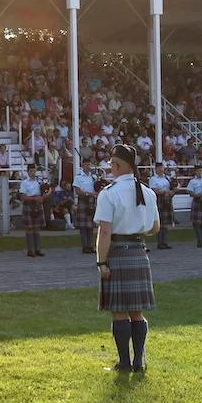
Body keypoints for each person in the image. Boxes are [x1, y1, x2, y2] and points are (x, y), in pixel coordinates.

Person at [94, 143, 160, 373]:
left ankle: (124, 363)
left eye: (112, 164)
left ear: (117, 164)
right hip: (139, 252)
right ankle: (138, 362)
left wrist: (101, 262)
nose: (110, 168)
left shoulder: (109, 193)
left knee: (120, 310)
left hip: (118, 253)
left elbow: (104, 231)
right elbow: (155, 228)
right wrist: (136, 230)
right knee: (136, 311)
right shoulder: (148, 192)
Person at [18, 163, 46, 257]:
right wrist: (34, 199)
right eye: (31, 171)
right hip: (29, 204)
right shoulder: (25, 183)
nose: (33, 173)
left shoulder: (39, 181)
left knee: (37, 227)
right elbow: (22, 196)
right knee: (29, 227)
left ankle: (37, 249)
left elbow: (45, 191)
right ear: (27, 172)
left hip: (38, 204)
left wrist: (44, 196)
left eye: (34, 171)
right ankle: (30, 250)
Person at [72, 157, 98, 254]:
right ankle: (85, 246)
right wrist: (87, 194)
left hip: (91, 201)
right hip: (83, 200)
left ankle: (90, 246)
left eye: (89, 164)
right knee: (83, 226)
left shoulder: (93, 177)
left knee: (90, 226)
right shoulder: (78, 177)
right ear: (82, 165)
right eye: (86, 164)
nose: (88, 166)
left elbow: (97, 187)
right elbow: (77, 191)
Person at [148, 162, 175, 250]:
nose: (161, 170)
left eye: (162, 168)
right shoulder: (153, 179)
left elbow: (172, 188)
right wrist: (165, 192)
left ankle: (165, 242)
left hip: (167, 200)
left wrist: (172, 191)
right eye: (159, 168)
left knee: (166, 223)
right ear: (156, 169)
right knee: (160, 222)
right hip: (159, 200)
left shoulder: (167, 178)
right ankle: (160, 242)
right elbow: (154, 190)